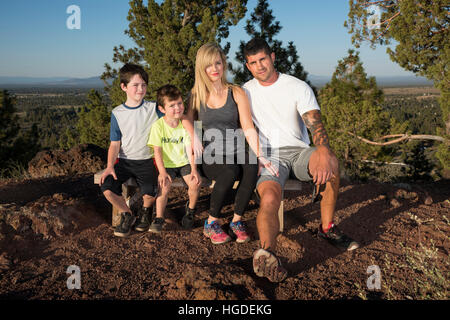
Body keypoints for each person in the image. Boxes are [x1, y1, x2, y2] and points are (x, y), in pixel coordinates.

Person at [242, 38, 360, 282]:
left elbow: (314, 123)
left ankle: (326, 229)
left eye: (263, 59)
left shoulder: (297, 86)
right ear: (248, 66)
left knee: (332, 165)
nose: (259, 66)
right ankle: (267, 253)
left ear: (273, 57)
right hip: (269, 156)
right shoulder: (245, 91)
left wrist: (324, 152)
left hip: (299, 152)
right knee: (270, 197)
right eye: (253, 62)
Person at [187, 42, 278, 245]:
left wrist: (261, 155)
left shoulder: (235, 92)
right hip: (212, 155)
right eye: (209, 65)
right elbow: (186, 119)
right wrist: (193, 134)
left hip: (235, 149)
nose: (214, 69)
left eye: (218, 63)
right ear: (201, 68)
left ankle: (237, 220)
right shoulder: (196, 95)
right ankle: (211, 223)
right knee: (229, 171)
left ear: (224, 64)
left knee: (252, 163)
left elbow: (247, 127)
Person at [99, 63, 159, 237]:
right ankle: (127, 214)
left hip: (147, 160)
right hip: (124, 162)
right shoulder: (117, 113)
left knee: (150, 191)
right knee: (107, 187)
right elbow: (115, 144)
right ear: (124, 87)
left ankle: (146, 212)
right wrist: (110, 165)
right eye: (135, 85)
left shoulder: (153, 108)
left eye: (144, 85)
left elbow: (175, 116)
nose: (140, 89)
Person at [147, 84, 201, 233]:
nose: (177, 108)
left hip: (184, 162)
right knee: (163, 187)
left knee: (195, 183)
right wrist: (162, 172)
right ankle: (158, 217)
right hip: (167, 165)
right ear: (162, 109)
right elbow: (157, 151)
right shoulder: (158, 126)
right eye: (172, 105)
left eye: (179, 103)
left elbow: (191, 149)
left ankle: (190, 212)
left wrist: (194, 169)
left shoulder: (184, 124)